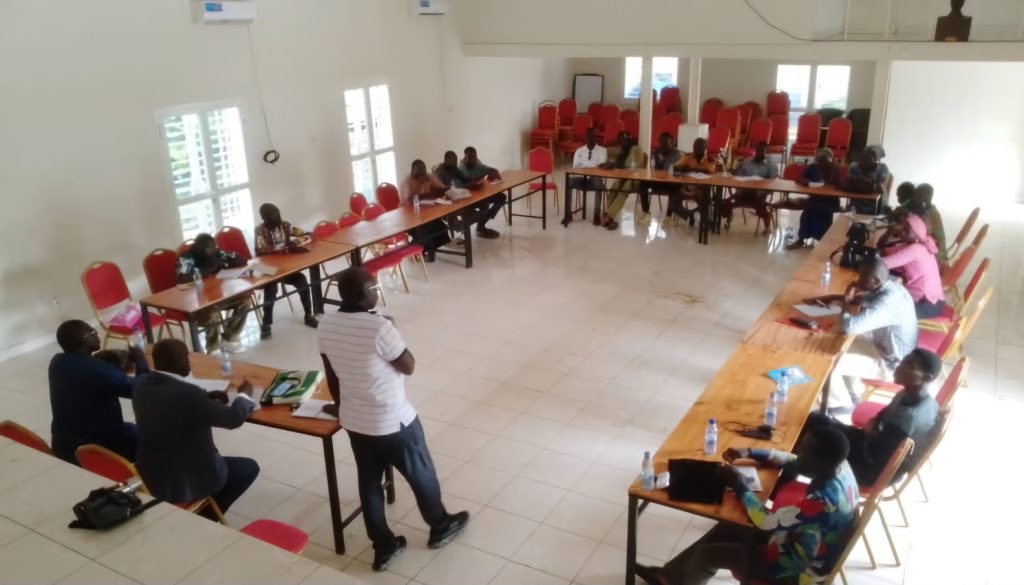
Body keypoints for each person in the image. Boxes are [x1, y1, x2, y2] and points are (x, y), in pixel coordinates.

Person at [318, 267, 469, 571]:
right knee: (421, 474)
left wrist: (342, 407)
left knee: (369, 484)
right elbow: (408, 365)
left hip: (356, 421)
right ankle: (440, 526)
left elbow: (331, 374)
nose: (377, 292)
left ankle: (384, 546)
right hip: (393, 421)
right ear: (363, 296)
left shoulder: (326, 324)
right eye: (374, 288)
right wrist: (391, 330)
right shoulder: (379, 327)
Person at [635, 425, 857, 585]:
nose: (798, 450)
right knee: (727, 526)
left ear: (819, 460)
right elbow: (796, 462)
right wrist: (751, 453)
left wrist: (739, 484)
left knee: (710, 554)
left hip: (798, 568)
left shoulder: (823, 503)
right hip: (800, 539)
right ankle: (669, 578)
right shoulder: (839, 466)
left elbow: (766, 521)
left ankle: (675, 579)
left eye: (804, 449)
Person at [133, 339, 259, 514]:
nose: (189, 363)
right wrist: (244, 395)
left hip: (152, 475)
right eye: (186, 357)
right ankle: (208, 514)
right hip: (186, 479)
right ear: (174, 361)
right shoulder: (188, 393)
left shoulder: (141, 383)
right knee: (248, 468)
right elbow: (233, 419)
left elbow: (169, 402)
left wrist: (206, 396)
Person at [804, 349, 942, 486]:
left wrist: (871, 433)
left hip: (871, 470)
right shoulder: (914, 395)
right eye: (904, 361)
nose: (900, 366)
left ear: (927, 378)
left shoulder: (908, 419)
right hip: (873, 445)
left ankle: (798, 470)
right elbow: (883, 414)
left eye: (910, 366)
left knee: (814, 442)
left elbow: (875, 454)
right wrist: (874, 424)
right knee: (817, 420)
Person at [807, 258, 918, 411]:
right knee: (829, 340)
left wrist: (846, 300)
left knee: (824, 358)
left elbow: (848, 327)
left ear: (876, 281)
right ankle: (853, 391)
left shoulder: (888, 301)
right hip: (884, 347)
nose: (858, 281)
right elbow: (864, 300)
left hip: (890, 364)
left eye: (863, 278)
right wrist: (832, 297)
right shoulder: (893, 287)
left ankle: (839, 404)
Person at [47, 320, 147, 464]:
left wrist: (109, 361)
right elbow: (142, 389)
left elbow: (85, 370)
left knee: (132, 429)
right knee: (155, 441)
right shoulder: (100, 371)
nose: (97, 334)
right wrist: (140, 360)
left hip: (63, 445)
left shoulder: (56, 362)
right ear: (85, 339)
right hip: (98, 448)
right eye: (93, 332)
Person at [254, 203, 319, 339]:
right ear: (264, 217)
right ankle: (266, 324)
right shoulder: (260, 230)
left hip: (285, 267)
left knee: (302, 281)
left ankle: (308, 315)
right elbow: (261, 249)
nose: (276, 217)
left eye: (277, 213)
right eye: (272, 215)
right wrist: (284, 246)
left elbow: (307, 234)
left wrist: (299, 242)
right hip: (267, 268)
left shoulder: (285, 225)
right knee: (271, 289)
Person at [176, 233, 251, 351]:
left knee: (245, 301)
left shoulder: (216, 252)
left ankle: (230, 337)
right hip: (197, 303)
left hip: (217, 297)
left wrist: (224, 264)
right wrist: (208, 270)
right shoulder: (187, 257)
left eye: (214, 247)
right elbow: (183, 277)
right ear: (198, 248)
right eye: (209, 248)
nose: (213, 250)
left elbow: (241, 259)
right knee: (211, 314)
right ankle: (213, 345)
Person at [878, 213, 946, 318]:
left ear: (917, 235)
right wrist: (889, 233)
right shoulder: (915, 246)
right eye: (903, 228)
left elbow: (883, 264)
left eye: (906, 230)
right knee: (884, 296)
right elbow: (883, 251)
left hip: (926, 304)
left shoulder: (916, 249)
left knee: (882, 306)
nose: (902, 232)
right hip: (933, 303)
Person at [435, 150, 505, 239]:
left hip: (459, 198)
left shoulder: (453, 168)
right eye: (453, 162)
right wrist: (467, 185)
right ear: (446, 160)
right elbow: (441, 190)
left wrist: (474, 183)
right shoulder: (440, 171)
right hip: (447, 204)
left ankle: (479, 227)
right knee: (475, 212)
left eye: (456, 162)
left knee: (486, 202)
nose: (455, 164)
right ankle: (462, 227)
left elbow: (465, 179)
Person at [787, 148, 844, 250]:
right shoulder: (813, 167)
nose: (821, 163)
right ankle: (801, 239)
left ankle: (824, 241)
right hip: (815, 198)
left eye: (824, 160)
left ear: (830, 159)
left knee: (824, 212)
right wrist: (807, 182)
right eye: (820, 160)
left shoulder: (834, 169)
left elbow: (840, 185)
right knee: (807, 212)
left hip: (830, 200)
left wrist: (831, 183)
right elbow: (799, 179)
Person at [400, 159, 452, 263]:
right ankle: (415, 250)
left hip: (425, 212)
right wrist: (419, 184)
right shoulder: (406, 181)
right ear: (412, 172)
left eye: (423, 173)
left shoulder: (429, 176)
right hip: (408, 216)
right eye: (418, 174)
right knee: (424, 232)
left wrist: (428, 194)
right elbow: (410, 200)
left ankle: (430, 249)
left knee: (442, 228)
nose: (421, 176)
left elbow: (443, 189)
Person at [721, 142, 778, 234]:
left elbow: (773, 184)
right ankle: (729, 217)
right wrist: (737, 178)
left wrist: (762, 191)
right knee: (726, 203)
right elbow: (739, 176)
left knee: (761, 207)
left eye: (762, 151)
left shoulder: (771, 166)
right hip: (744, 192)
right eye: (757, 150)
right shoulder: (747, 161)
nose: (759, 153)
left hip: (758, 194)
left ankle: (767, 227)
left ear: (767, 153)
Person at [668, 138, 719, 227]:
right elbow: (675, 167)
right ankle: (690, 215)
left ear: (706, 149)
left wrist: (690, 169)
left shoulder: (710, 160)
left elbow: (712, 173)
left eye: (700, 151)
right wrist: (683, 169)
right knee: (673, 203)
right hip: (687, 189)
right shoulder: (688, 157)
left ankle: (706, 222)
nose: (697, 153)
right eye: (696, 151)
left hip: (701, 191)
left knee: (705, 200)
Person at [563, 127, 608, 227]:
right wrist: (589, 168)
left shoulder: (602, 151)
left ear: (595, 137)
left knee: (598, 181)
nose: (590, 139)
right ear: (585, 138)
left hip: (595, 180)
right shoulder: (579, 151)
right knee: (569, 181)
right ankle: (568, 214)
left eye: (592, 136)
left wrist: (586, 168)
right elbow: (575, 168)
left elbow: (600, 168)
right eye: (588, 137)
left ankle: (596, 214)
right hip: (581, 179)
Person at [600, 131, 645, 230]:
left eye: (624, 139)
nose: (622, 142)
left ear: (629, 139)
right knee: (615, 186)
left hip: (635, 180)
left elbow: (633, 166)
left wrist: (617, 165)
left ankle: (610, 216)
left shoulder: (636, 149)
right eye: (620, 140)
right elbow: (608, 152)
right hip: (624, 177)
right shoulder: (622, 150)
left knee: (625, 188)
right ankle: (607, 212)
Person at [639, 132, 681, 223]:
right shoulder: (658, 152)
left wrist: (663, 160)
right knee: (643, 183)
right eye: (662, 143)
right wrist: (658, 160)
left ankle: (668, 217)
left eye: (666, 143)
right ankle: (646, 213)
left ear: (671, 143)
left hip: (670, 182)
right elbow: (656, 170)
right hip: (659, 181)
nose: (663, 145)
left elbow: (667, 169)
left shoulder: (676, 153)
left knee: (676, 187)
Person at [902, 183, 948, 265]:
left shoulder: (929, 213)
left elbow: (919, 233)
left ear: (925, 199)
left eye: (918, 195)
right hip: (931, 249)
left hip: (934, 256)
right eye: (914, 194)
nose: (913, 197)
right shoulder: (927, 209)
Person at [845, 146, 891, 215]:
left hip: (874, 201)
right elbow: (848, 179)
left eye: (871, 157)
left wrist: (870, 181)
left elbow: (881, 185)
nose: (866, 159)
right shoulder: (855, 166)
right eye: (865, 156)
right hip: (855, 197)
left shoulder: (882, 168)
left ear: (876, 159)